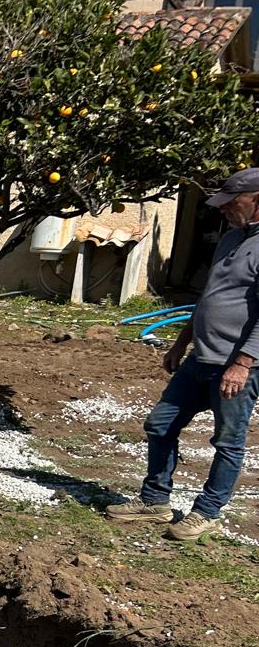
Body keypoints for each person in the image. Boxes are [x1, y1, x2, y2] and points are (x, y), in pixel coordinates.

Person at [106, 167, 259, 541]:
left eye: (231, 202)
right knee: (161, 424)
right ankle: (155, 501)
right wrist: (181, 342)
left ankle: (207, 512)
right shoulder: (232, 238)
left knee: (227, 440)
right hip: (201, 357)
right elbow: (208, 297)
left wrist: (242, 364)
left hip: (238, 364)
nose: (222, 210)